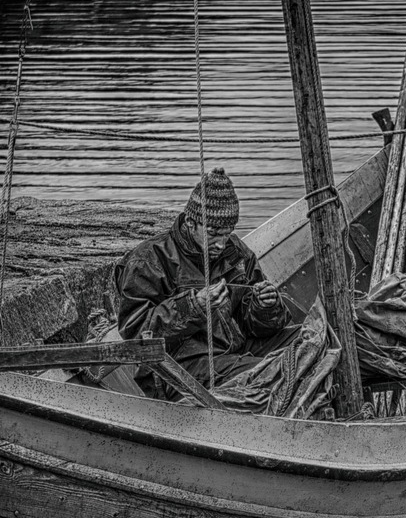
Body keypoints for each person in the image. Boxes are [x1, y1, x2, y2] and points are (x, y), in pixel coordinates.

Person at [115, 168, 290, 391]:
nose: (220, 242)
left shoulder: (236, 252)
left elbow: (257, 326)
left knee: (309, 341)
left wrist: (266, 306)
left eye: (227, 233)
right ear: (190, 221)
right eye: (212, 232)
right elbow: (136, 337)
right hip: (181, 367)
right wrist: (193, 306)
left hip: (233, 350)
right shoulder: (149, 260)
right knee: (275, 371)